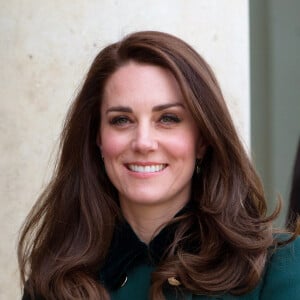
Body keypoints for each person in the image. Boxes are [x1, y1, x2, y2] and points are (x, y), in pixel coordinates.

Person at [19, 31, 300, 300]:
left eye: (168, 118)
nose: (143, 142)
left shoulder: (277, 268)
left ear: (202, 139)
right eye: (121, 120)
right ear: (98, 139)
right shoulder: (56, 279)